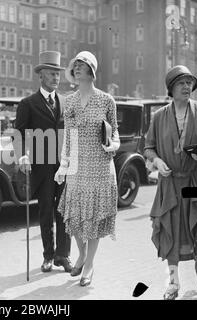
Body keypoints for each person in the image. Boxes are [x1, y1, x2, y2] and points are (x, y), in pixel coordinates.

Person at [143, 65, 197, 300]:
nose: (187, 86)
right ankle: (173, 282)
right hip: (170, 183)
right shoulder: (159, 117)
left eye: (189, 82)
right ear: (171, 88)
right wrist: (157, 161)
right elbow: (149, 147)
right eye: (182, 82)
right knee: (171, 231)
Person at [55, 51, 120, 286]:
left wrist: (111, 144)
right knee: (74, 218)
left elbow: (116, 136)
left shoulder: (106, 100)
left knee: (93, 219)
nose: (78, 68)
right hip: (77, 166)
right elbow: (68, 138)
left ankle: (89, 264)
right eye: (76, 65)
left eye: (83, 65)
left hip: (101, 166)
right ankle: (81, 255)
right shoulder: (70, 101)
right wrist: (63, 165)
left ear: (92, 70)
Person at [15, 51, 72, 273]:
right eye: (51, 74)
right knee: (46, 211)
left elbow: (71, 133)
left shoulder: (66, 102)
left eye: (58, 74)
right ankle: (48, 256)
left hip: (63, 167)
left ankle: (63, 256)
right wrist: (22, 155)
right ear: (41, 76)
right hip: (41, 168)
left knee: (64, 211)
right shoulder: (28, 103)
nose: (56, 78)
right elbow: (18, 134)